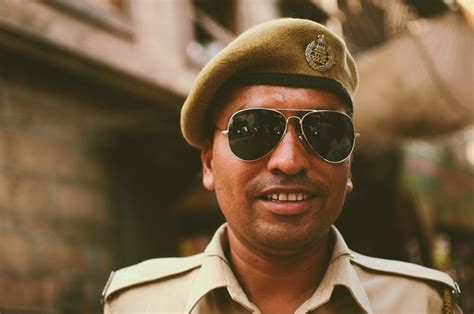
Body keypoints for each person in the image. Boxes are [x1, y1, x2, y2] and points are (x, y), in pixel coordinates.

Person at [102, 18, 461, 313]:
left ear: (348, 166)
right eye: (254, 130)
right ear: (209, 165)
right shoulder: (136, 304)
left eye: (324, 132)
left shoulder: (420, 303)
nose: (289, 161)